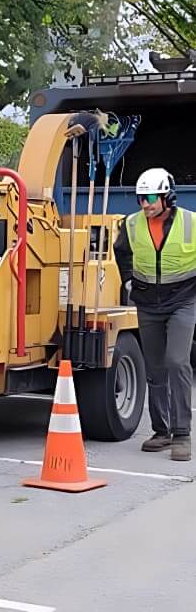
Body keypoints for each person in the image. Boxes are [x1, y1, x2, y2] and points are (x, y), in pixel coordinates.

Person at [115, 168, 196, 461]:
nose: (145, 205)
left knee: (177, 362)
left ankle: (182, 434)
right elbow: (121, 252)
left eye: (150, 198)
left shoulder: (191, 222)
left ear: (166, 197)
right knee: (155, 368)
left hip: (183, 300)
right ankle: (161, 432)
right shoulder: (132, 224)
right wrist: (127, 280)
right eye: (140, 199)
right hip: (148, 302)